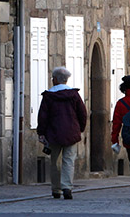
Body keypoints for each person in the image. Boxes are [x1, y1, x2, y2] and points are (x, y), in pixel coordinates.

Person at [36, 66, 88, 200]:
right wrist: (80, 128)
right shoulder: (74, 95)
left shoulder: (49, 96)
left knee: (55, 162)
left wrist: (41, 132)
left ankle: (56, 189)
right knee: (69, 161)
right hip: (71, 132)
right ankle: (67, 187)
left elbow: (43, 116)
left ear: (54, 79)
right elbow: (82, 114)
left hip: (53, 133)